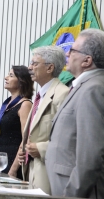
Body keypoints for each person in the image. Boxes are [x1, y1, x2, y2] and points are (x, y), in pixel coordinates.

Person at [45, 29, 104, 198]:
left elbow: (90, 156)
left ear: (87, 60)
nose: (67, 53)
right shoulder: (83, 86)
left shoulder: (93, 90)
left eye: (73, 50)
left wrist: (72, 194)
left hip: (76, 191)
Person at [18, 46, 69, 194]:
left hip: (47, 170)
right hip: (31, 168)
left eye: (34, 63)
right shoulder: (41, 94)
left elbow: (68, 137)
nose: (29, 67)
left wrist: (40, 148)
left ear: (49, 68)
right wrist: (25, 151)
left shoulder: (62, 94)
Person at [0, 66, 33, 180]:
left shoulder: (25, 104)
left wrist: (14, 169)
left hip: (13, 161)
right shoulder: (6, 104)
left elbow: (25, 138)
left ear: (22, 81)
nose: (6, 77)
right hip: (0, 158)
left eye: (11, 76)